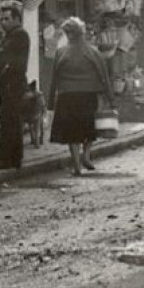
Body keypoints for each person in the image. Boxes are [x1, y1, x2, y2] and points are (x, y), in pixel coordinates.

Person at [48, 17, 112, 176]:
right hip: (88, 95)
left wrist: (50, 102)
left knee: (72, 132)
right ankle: (86, 155)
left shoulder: (61, 52)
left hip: (67, 96)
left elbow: (54, 78)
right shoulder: (92, 52)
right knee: (90, 127)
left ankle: (77, 164)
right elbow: (104, 76)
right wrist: (110, 99)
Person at [0, 1, 30, 171]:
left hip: (12, 82)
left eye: (6, 19)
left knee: (9, 121)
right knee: (12, 121)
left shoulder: (18, 35)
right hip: (12, 81)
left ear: (16, 19)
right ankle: (14, 158)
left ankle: (5, 159)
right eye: (1, 19)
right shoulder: (13, 35)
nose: (3, 22)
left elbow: (1, 55)